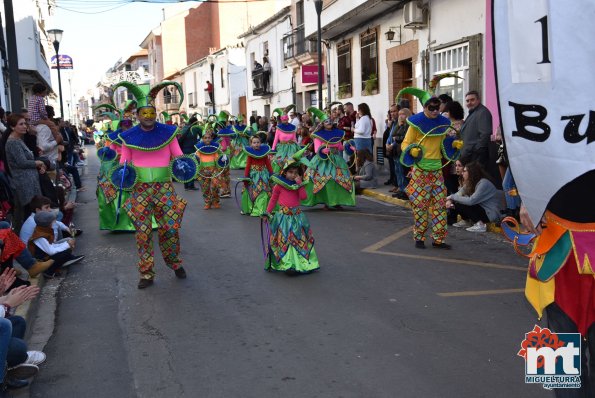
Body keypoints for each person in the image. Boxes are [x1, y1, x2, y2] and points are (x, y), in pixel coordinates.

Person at [114, 80, 188, 289]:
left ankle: (174, 262)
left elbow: (180, 159)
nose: (148, 116)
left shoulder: (168, 133)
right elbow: (124, 165)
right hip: (140, 190)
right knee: (143, 232)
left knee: (170, 229)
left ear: (155, 112)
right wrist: (120, 180)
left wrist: (191, 168)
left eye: (151, 112)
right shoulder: (129, 137)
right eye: (143, 113)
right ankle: (146, 274)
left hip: (164, 189)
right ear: (137, 115)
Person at [399, 88, 459, 249]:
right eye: (430, 108)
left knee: (440, 206)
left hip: (437, 170)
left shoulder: (442, 123)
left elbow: (442, 144)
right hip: (420, 170)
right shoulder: (415, 125)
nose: (434, 111)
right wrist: (412, 150)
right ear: (424, 107)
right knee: (420, 205)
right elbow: (405, 143)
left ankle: (439, 240)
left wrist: (453, 144)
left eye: (436, 108)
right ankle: (419, 237)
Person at [262, 157, 319, 274]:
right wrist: (267, 213)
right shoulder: (278, 186)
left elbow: (303, 197)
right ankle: (287, 264)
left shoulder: (298, 185)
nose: (293, 175)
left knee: (298, 240)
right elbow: (273, 200)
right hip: (283, 218)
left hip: (297, 217)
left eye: (296, 173)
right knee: (285, 240)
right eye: (290, 172)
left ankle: (299, 264)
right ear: (284, 172)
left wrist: (300, 184)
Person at [302, 108, 355, 209]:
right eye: (326, 121)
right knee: (325, 180)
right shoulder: (318, 136)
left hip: (336, 160)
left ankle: (337, 201)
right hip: (322, 162)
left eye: (330, 121)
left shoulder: (337, 133)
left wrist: (350, 147)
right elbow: (317, 149)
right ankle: (327, 201)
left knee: (340, 179)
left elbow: (340, 147)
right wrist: (322, 150)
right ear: (322, 123)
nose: (329, 122)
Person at [1, 114, 45, 227]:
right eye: (21, 124)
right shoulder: (13, 142)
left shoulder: (17, 139)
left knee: (31, 212)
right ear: (12, 127)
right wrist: (38, 163)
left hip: (28, 182)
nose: (25, 126)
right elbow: (22, 162)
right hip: (24, 184)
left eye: (25, 123)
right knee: (29, 214)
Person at [446, 162, 503, 232]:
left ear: (472, 173)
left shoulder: (483, 183)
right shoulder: (471, 182)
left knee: (463, 202)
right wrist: (450, 200)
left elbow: (471, 201)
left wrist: (452, 197)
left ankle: (480, 225)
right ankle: (467, 221)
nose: (462, 173)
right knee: (457, 202)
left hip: (490, 213)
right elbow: (458, 194)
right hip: (482, 210)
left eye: (464, 171)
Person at [27, 211, 85, 278]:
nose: (53, 223)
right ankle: (49, 271)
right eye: (52, 222)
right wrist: (67, 245)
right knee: (64, 252)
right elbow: (51, 251)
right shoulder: (40, 237)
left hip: (46, 255)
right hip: (43, 260)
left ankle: (68, 258)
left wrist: (66, 244)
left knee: (66, 248)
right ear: (47, 224)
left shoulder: (42, 231)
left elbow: (52, 245)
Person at [241, 135, 273, 217]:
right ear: (251, 144)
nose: (256, 144)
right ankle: (252, 208)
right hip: (254, 175)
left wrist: (271, 173)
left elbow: (268, 164)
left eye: (258, 142)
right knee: (252, 191)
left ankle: (264, 208)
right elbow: (248, 166)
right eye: (254, 142)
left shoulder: (264, 153)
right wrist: (246, 176)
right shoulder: (250, 154)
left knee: (265, 191)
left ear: (261, 143)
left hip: (264, 175)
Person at [459, 90, 492, 168]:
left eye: (472, 100)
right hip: (470, 156)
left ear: (478, 100)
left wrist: (475, 150)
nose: (469, 102)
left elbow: (485, 134)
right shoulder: (474, 112)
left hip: (476, 157)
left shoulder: (482, 112)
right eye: (467, 101)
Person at [195, 130, 225, 210]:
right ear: (202, 139)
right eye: (205, 138)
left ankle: (215, 201)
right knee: (205, 188)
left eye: (209, 138)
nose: (207, 139)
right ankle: (207, 202)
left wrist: (223, 158)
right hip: (202, 170)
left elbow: (218, 158)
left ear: (211, 138)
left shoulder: (215, 147)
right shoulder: (199, 148)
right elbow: (197, 159)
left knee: (215, 185)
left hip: (213, 169)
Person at [387, 107, 412, 199]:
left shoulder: (409, 125)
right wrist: (399, 124)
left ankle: (406, 191)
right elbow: (393, 134)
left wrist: (396, 139)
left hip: (403, 151)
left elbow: (404, 137)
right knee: (398, 171)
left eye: (403, 114)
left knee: (403, 172)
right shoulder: (400, 124)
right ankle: (401, 189)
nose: (400, 116)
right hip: (396, 151)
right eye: (400, 114)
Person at [271, 107, 300, 173]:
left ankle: (292, 174)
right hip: (282, 148)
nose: (285, 120)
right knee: (279, 160)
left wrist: (298, 147)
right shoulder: (279, 128)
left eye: (286, 118)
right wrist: (273, 149)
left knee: (293, 161)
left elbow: (294, 138)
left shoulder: (292, 127)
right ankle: (281, 174)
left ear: (288, 118)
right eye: (283, 119)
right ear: (281, 119)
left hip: (291, 147)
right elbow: (276, 139)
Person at [177, 117, 200, 190]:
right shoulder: (195, 128)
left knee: (186, 167)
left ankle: (186, 185)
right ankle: (190, 185)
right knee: (192, 167)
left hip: (183, 150)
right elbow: (203, 134)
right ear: (195, 122)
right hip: (191, 150)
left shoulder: (184, 128)